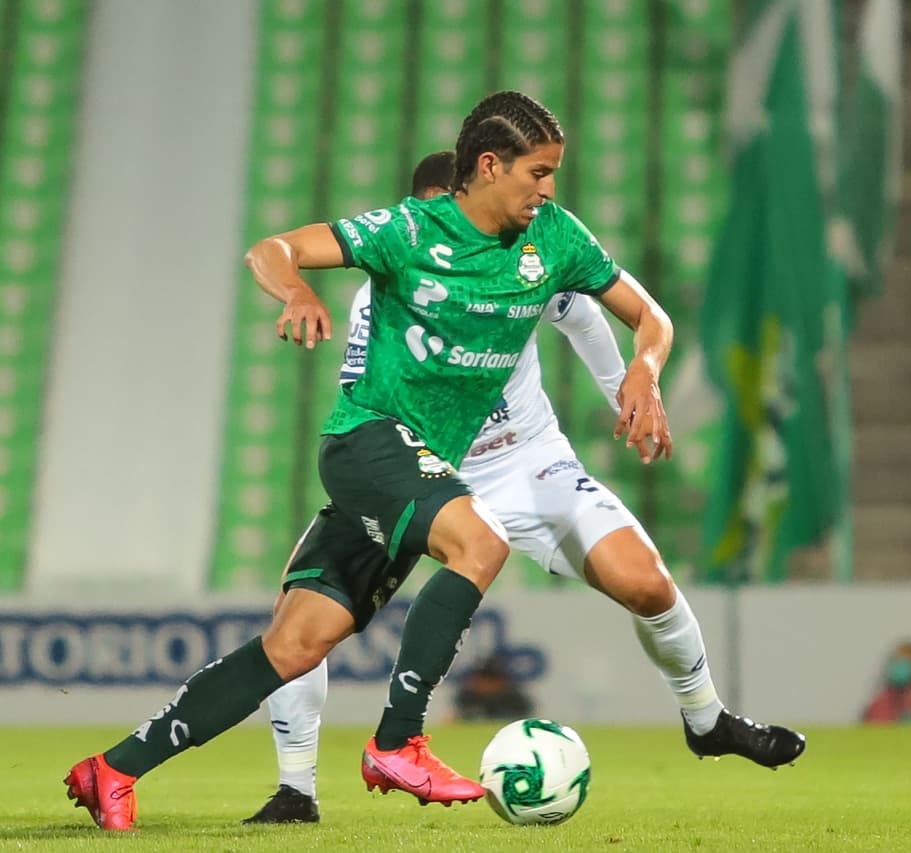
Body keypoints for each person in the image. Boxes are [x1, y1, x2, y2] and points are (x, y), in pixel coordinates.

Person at [64, 90, 677, 831]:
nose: (548, 190)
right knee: (481, 541)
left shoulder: (556, 237)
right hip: (369, 442)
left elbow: (650, 314)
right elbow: (273, 249)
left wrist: (643, 366)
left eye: (553, 175)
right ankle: (398, 742)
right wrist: (294, 288)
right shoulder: (408, 230)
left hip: (414, 466)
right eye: (537, 173)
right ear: (489, 165)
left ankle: (113, 769)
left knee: (294, 645)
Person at [243, 152, 807, 824]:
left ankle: (707, 718)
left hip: (524, 462)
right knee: (298, 621)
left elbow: (590, 314)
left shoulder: (521, 256)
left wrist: (632, 385)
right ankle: (296, 788)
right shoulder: (383, 294)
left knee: (648, 582)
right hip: (420, 472)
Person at [453, 654, 535, 722]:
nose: (486, 684)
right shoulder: (467, 698)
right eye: (482, 678)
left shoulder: (515, 700)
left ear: (501, 680)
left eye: (491, 679)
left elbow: (524, 718)